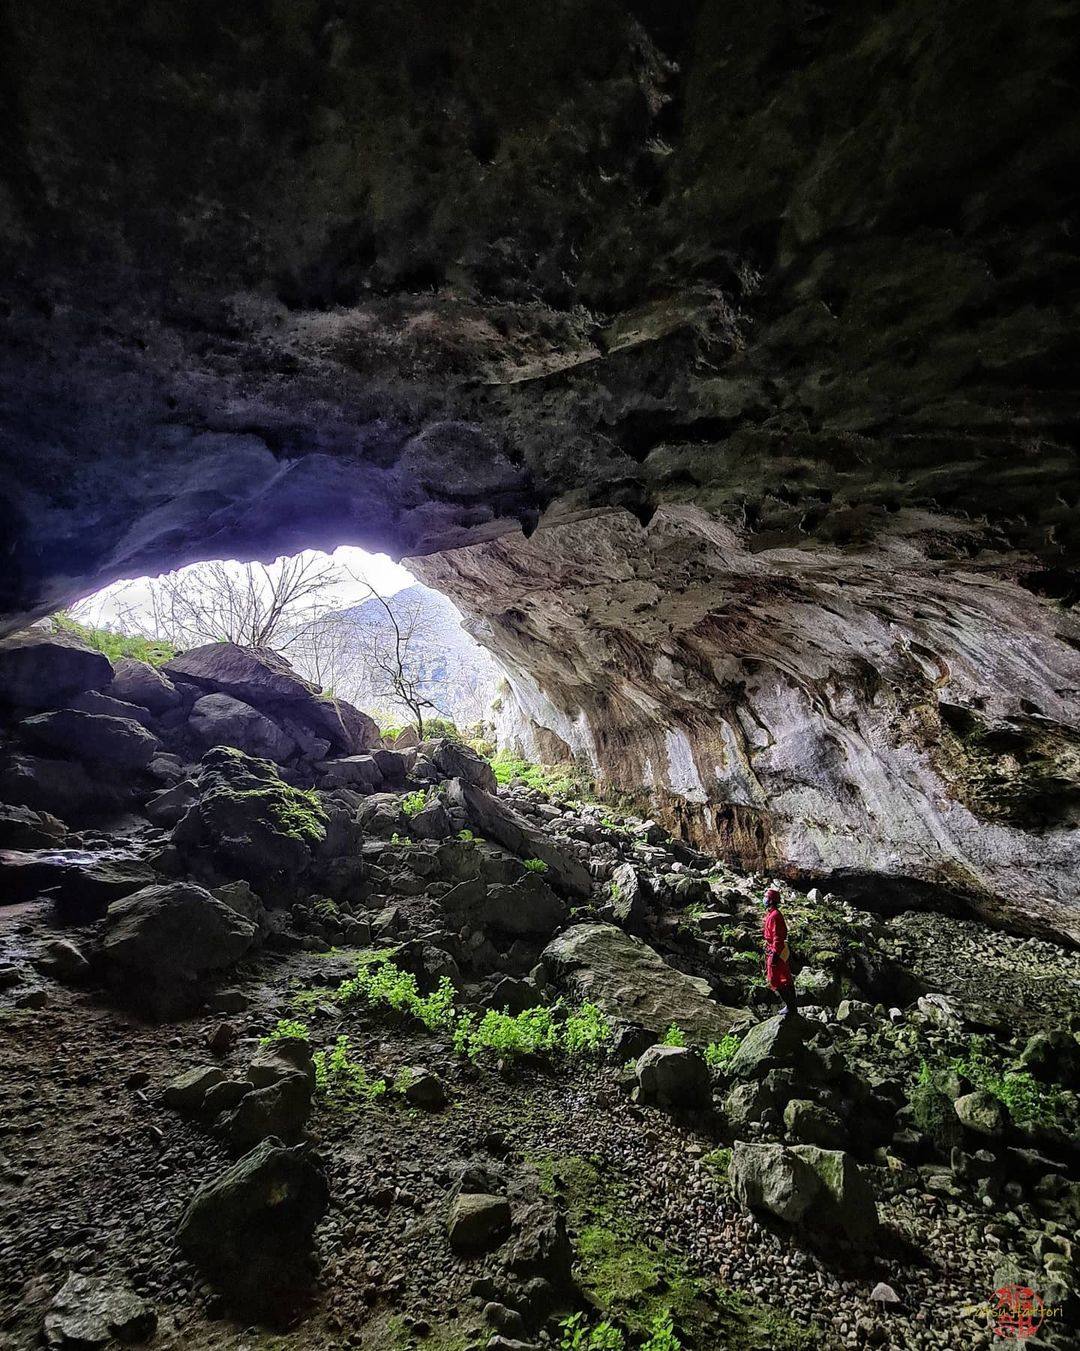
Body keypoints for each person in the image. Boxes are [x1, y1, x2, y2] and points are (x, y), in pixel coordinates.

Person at [762, 883, 798, 1017]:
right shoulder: (773, 914)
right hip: (775, 949)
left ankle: (790, 1006)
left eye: (766, 897)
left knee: (775, 978)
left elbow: (777, 936)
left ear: (771, 900)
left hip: (776, 950)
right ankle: (792, 1006)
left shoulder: (775, 916)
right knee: (785, 977)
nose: (764, 899)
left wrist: (775, 955)